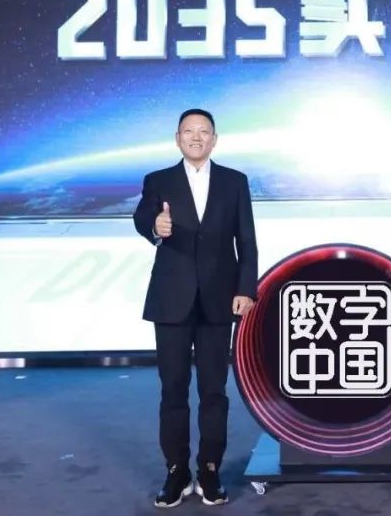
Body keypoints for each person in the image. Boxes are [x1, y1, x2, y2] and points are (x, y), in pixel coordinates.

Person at [133, 108, 257, 508]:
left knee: (213, 390)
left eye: (204, 131)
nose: (197, 137)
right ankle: (176, 471)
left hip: (219, 299)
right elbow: (142, 217)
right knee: (173, 388)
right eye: (189, 131)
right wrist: (155, 227)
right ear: (177, 138)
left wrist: (246, 289)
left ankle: (209, 468)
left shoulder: (234, 181)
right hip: (172, 298)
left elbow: (247, 240)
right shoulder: (158, 180)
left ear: (215, 139)